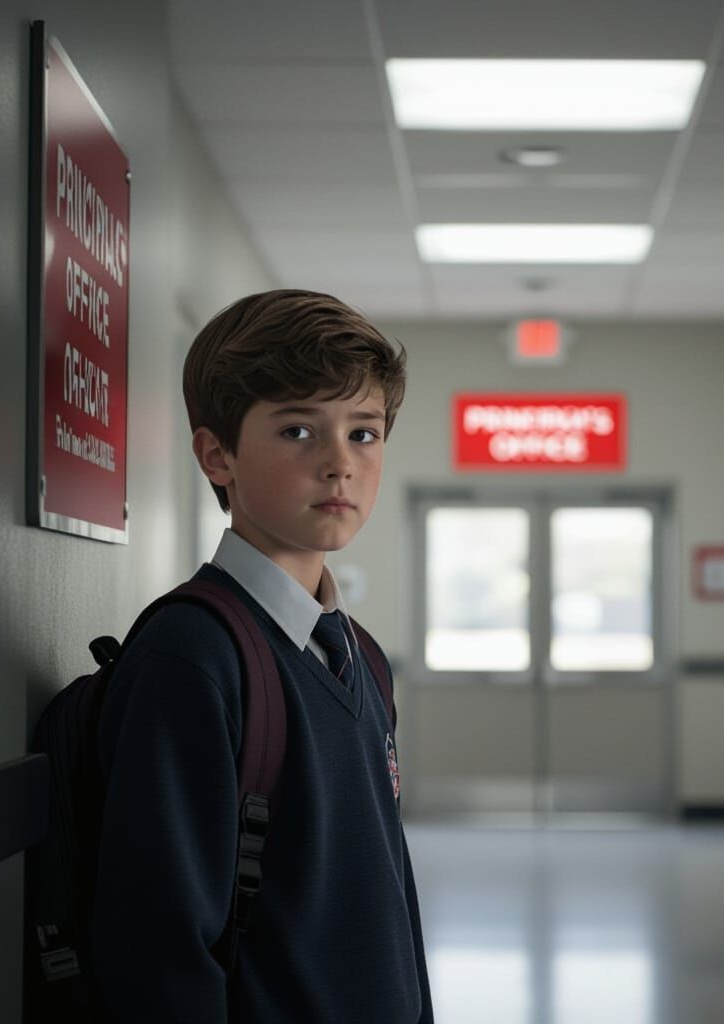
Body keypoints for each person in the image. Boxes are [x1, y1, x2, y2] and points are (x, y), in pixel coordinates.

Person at [90, 289, 433, 1022]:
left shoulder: (359, 656)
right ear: (218, 454)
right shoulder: (194, 658)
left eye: (364, 434)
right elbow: (159, 955)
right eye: (299, 431)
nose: (340, 464)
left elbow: (390, 904)